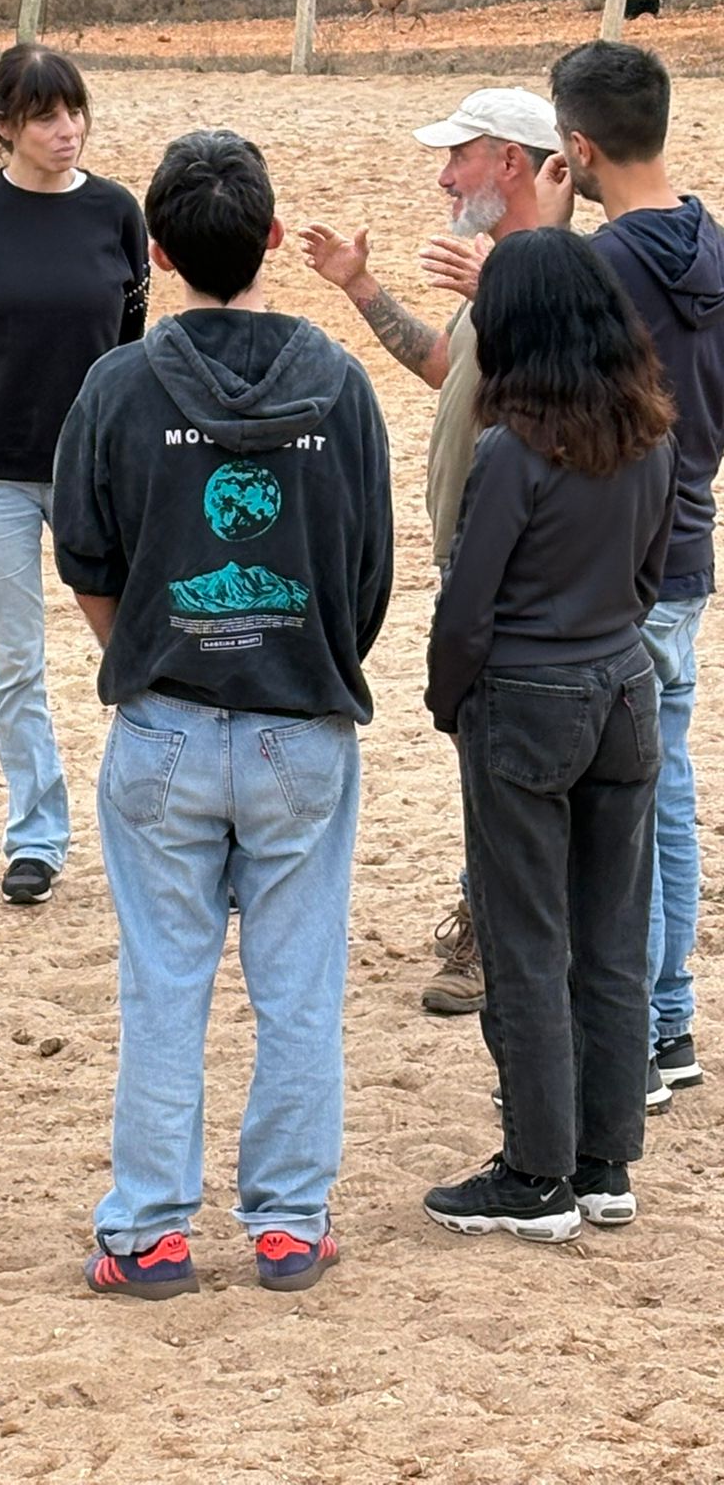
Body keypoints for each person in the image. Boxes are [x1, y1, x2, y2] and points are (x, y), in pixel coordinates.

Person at [53, 131, 393, 1299]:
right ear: (273, 237)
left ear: (157, 252)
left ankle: (150, 1229)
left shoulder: (119, 386)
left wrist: (149, 649)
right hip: (302, 719)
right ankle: (289, 1221)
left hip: (166, 724)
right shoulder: (338, 382)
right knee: (299, 984)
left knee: (164, 981)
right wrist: (299, 649)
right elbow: (368, 568)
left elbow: (86, 553)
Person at [423, 229, 675, 1241]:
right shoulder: (651, 432)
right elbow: (651, 578)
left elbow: (467, 609)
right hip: (624, 688)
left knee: (525, 940)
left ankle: (535, 1173)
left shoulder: (514, 450)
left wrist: (449, 701)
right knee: (611, 936)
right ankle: (605, 1161)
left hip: (528, 697)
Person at [299, 87, 559, 1017]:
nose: (446, 177)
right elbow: (448, 366)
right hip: (475, 555)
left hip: (519, 565)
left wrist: (505, 297)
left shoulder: (550, 275)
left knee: (510, 763)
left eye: (461, 157)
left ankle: (493, 938)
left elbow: (576, 388)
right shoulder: (502, 271)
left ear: (512, 163)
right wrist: (360, 287)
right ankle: (488, 918)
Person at [0, 43, 149, 907]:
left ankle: (159, 819)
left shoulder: (117, 213)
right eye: (45, 116)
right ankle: (36, 836)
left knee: (137, 644)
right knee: (17, 659)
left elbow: (130, 336)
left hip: (97, 472)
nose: (66, 130)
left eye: (74, 111)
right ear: (4, 124)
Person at [545, 40, 724, 1101]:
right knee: (669, 789)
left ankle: (644, 1034)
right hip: (692, 542)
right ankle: (673, 1016)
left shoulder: (603, 266)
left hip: (623, 560)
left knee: (618, 807)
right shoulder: (713, 246)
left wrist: (547, 242)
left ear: (579, 146)